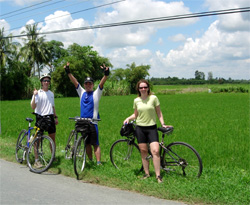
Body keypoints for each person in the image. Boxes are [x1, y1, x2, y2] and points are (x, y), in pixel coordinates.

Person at [123, 79, 172, 183]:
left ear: (148, 88)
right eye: (141, 87)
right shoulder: (136, 100)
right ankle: (146, 173)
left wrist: (163, 124)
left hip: (151, 128)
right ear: (138, 89)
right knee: (144, 151)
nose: (143, 89)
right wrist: (128, 118)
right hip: (140, 128)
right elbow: (136, 115)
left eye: (145, 87)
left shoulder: (153, 98)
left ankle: (158, 176)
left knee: (155, 151)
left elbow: (159, 112)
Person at [64, 62, 109, 165]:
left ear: (93, 85)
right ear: (84, 85)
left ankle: (98, 162)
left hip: (93, 123)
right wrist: (68, 73)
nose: (88, 86)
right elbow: (75, 82)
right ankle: (90, 160)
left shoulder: (96, 93)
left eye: (90, 84)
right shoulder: (82, 92)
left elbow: (101, 84)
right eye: (86, 84)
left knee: (95, 144)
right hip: (83, 122)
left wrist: (105, 75)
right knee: (87, 143)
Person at [31, 73, 58, 167]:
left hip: (50, 117)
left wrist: (55, 117)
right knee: (37, 139)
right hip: (40, 117)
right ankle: (36, 160)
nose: (46, 82)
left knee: (52, 138)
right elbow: (33, 106)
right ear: (41, 82)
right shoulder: (38, 93)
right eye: (44, 80)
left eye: (48, 81)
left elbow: (52, 106)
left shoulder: (51, 94)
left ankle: (53, 156)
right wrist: (34, 96)